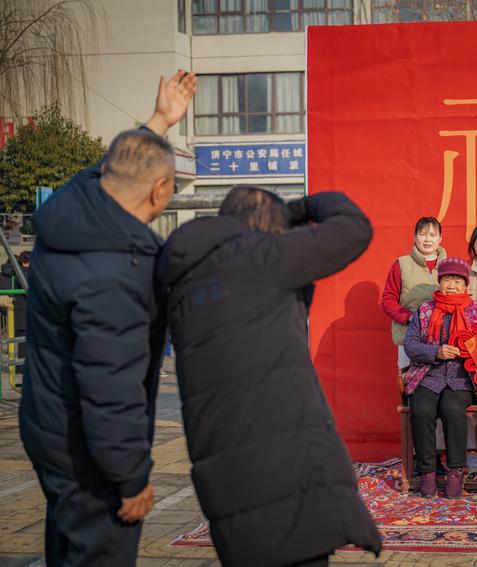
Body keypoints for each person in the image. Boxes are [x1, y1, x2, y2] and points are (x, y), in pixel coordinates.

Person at [18, 70, 196, 566]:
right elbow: (109, 389)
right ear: (161, 192)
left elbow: (108, 169)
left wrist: (160, 119)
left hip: (48, 423)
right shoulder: (118, 273)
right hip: (87, 450)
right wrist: (131, 478)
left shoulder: (72, 210)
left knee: (67, 545)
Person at [157, 187, 382, 566]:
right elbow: (354, 228)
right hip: (284, 467)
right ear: (264, 226)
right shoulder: (259, 256)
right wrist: (300, 209)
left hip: (226, 472)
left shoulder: (184, 281)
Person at [403, 257, 477, 499]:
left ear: (465, 285)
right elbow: (411, 345)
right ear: (439, 282)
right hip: (428, 374)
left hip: (461, 377)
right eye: (447, 279)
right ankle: (428, 471)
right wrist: (436, 352)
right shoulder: (425, 310)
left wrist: (469, 350)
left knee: (452, 409)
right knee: (422, 408)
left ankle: (456, 469)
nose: (451, 284)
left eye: (457, 280)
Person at [381, 217, 446, 371]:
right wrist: (410, 318)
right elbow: (388, 300)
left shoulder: (449, 265)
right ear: (415, 237)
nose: (428, 239)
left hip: (441, 340)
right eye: (423, 234)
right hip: (408, 336)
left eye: (432, 235)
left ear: (440, 238)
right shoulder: (402, 264)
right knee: (408, 386)